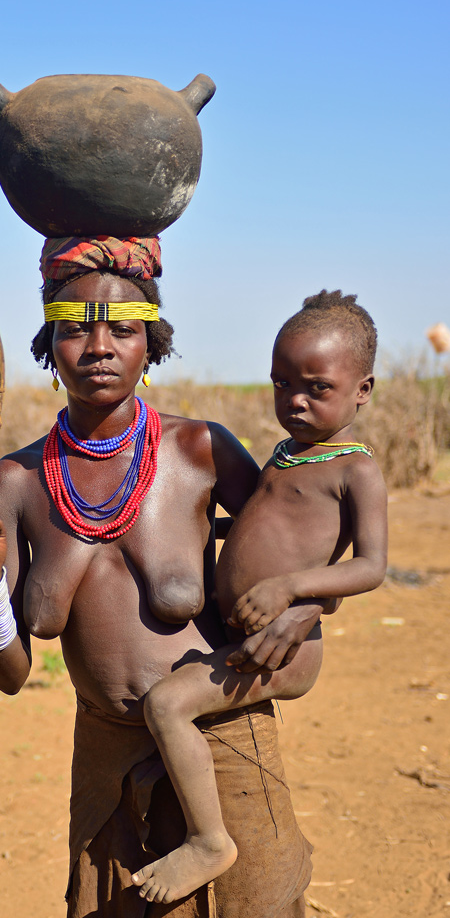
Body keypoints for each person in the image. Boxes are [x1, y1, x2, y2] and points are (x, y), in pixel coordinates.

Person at [0, 236, 332, 918]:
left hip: (224, 736)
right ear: (49, 348)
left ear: (151, 347)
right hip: (106, 757)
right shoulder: (15, 480)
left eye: (124, 330)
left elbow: (305, 538)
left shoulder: (201, 449)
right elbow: (9, 674)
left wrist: (305, 607)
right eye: (75, 330)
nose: (99, 347)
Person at [131, 290, 388, 905]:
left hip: (282, 649)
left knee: (167, 706)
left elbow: (372, 567)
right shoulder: (284, 455)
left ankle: (209, 840)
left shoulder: (356, 470)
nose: (294, 400)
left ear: (363, 390)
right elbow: (263, 528)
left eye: (316, 387)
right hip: (247, 632)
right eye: (281, 383)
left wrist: (294, 589)